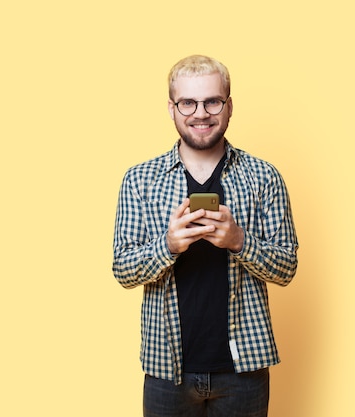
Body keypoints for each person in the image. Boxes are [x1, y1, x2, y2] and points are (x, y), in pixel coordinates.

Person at [112, 54, 299, 417]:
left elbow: (287, 267)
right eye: (189, 103)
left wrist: (239, 241)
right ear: (172, 108)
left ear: (229, 107)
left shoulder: (264, 177)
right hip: (167, 370)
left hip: (244, 370)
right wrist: (167, 247)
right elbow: (123, 269)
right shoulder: (140, 180)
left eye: (212, 101)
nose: (201, 113)